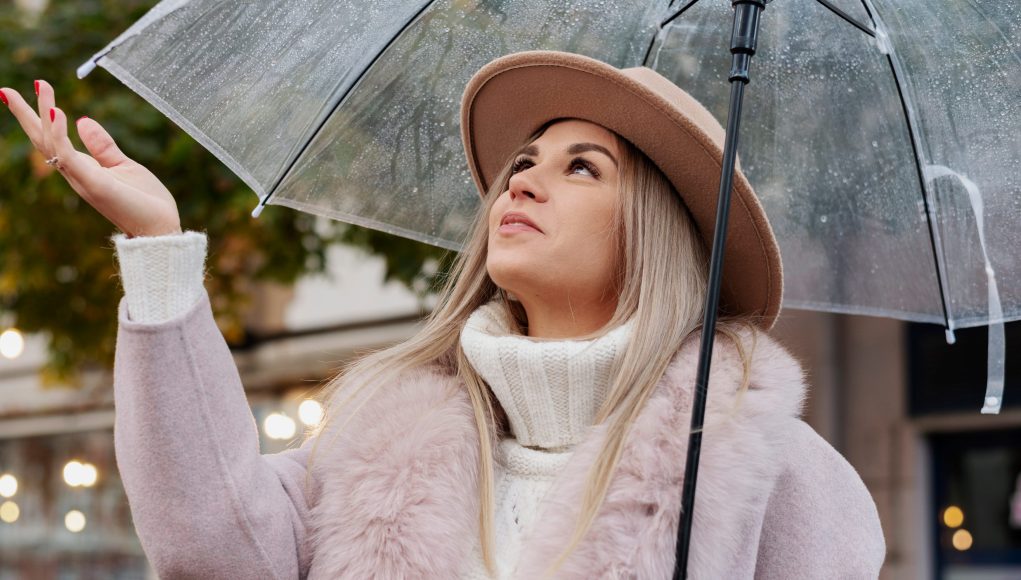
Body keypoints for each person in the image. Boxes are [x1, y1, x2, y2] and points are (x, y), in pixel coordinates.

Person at [1, 51, 885, 578]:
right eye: (524, 161)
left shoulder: (766, 472)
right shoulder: (374, 445)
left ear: (651, 237)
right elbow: (209, 543)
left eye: (582, 168)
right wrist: (159, 250)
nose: (524, 178)